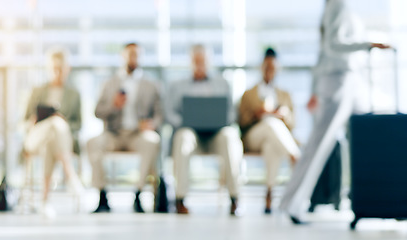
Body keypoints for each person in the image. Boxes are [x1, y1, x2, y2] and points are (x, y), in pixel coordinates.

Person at [279, 0, 391, 224]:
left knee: (378, 131)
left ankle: (387, 197)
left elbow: (322, 52)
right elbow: (333, 45)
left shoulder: (335, 7)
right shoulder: (337, 5)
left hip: (348, 81)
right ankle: (290, 205)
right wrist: (369, 44)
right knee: (318, 147)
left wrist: (314, 89)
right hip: (338, 82)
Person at [165, 44, 243, 216]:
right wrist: (186, 121)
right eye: (196, 61)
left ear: (209, 62)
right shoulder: (177, 86)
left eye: (203, 61)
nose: (200, 65)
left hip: (216, 135)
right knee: (182, 137)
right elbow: (169, 113)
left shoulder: (223, 84)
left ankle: (235, 198)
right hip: (191, 135)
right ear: (190, 62)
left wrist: (220, 121)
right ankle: (180, 199)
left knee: (230, 137)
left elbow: (232, 112)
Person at [87, 42, 162, 213]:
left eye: (137, 54)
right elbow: (97, 112)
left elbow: (159, 114)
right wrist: (114, 105)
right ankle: (102, 195)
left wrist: (151, 124)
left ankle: (139, 193)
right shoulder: (109, 83)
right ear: (123, 56)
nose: (133, 58)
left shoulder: (150, 85)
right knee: (92, 143)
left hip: (137, 134)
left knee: (152, 141)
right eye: (130, 54)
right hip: (113, 133)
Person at [238, 48, 300, 214]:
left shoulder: (285, 95)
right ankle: (295, 156)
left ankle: (269, 194)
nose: (269, 71)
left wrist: (284, 115)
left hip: (274, 138)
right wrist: (256, 114)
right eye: (267, 67)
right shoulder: (249, 94)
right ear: (261, 67)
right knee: (270, 124)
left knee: (271, 145)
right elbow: (241, 121)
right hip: (253, 136)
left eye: (273, 67)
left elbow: (293, 123)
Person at [23, 47, 83, 218]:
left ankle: (45, 201)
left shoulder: (74, 94)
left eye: (60, 68)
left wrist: (62, 121)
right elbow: (24, 120)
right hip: (35, 137)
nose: (57, 72)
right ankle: (70, 175)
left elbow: (78, 124)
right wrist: (33, 120)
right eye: (54, 68)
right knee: (54, 124)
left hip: (59, 140)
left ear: (67, 69)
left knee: (54, 135)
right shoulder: (38, 91)